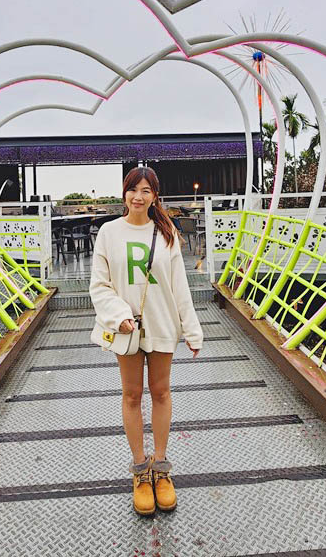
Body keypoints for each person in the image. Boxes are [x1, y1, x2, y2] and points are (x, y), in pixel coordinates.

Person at [89, 166, 204, 516]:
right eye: (132, 189)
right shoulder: (109, 232)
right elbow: (99, 284)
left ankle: (162, 469)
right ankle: (140, 471)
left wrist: (192, 329)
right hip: (127, 327)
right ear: (124, 193)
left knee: (162, 392)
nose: (138, 196)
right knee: (132, 395)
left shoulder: (166, 233)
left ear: (155, 196)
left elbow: (179, 287)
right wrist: (117, 314)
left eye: (146, 190)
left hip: (162, 323)